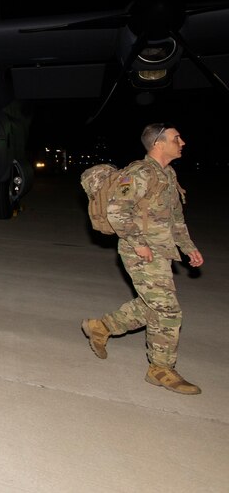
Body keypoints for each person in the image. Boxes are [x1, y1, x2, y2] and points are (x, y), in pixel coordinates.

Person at [81, 123, 204, 394]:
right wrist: (138, 244)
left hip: (161, 250)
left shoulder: (167, 174)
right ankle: (160, 369)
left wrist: (187, 246)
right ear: (158, 144)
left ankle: (101, 327)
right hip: (141, 252)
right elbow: (116, 210)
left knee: (151, 307)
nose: (182, 142)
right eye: (176, 138)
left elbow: (175, 218)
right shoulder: (141, 173)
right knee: (168, 310)